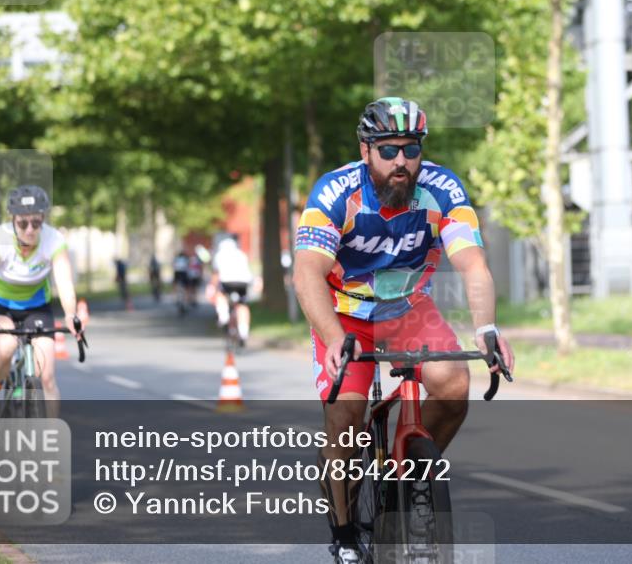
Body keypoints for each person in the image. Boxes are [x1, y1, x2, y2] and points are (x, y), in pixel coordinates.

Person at [291, 97, 515, 563]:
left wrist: (487, 328)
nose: (401, 161)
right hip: (345, 313)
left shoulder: (442, 188)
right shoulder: (335, 193)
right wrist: (334, 338)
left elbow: (472, 264)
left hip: (406, 308)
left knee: (453, 385)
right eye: (388, 150)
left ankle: (409, 473)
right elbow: (307, 273)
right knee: (346, 419)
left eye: (410, 149)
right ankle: (346, 532)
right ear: (365, 150)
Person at [0, 185, 81, 417]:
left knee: (48, 376)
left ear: (43, 219)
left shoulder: (53, 240)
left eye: (36, 223)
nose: (30, 230)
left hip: (37, 307)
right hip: (2, 305)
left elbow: (64, 283)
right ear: (12, 220)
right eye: (23, 223)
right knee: (5, 347)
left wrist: (71, 315)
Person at [210, 234, 253, 344]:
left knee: (220, 294)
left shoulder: (219, 255)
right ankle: (244, 331)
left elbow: (216, 274)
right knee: (242, 305)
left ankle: (223, 315)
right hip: (243, 282)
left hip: (227, 281)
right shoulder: (241, 254)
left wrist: (213, 288)